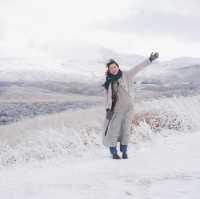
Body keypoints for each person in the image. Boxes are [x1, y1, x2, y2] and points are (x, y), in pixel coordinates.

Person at [102, 52, 159, 159]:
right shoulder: (109, 82)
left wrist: (150, 60)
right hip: (117, 110)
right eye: (111, 68)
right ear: (109, 71)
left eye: (115, 67)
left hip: (129, 108)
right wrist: (108, 109)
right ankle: (114, 152)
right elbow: (107, 97)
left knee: (126, 130)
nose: (113, 69)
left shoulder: (127, 75)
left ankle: (124, 151)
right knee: (114, 130)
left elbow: (138, 68)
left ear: (118, 67)